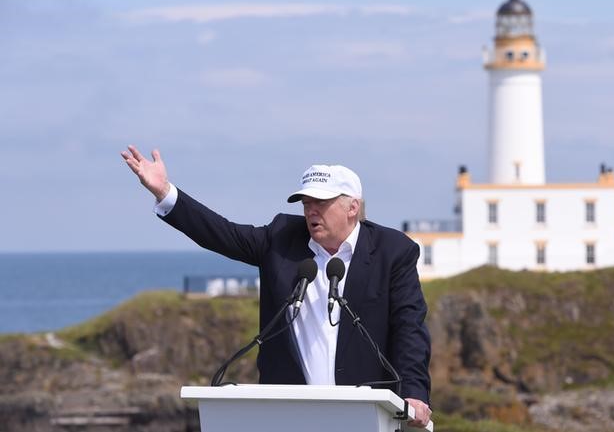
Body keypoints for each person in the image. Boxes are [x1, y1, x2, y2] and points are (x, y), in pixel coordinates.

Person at [121, 145, 432, 427]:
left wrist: (415, 392)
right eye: (306, 202)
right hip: (290, 413)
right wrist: (164, 192)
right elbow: (222, 234)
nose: (311, 210)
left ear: (352, 207)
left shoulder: (393, 251)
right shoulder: (281, 239)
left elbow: (409, 327)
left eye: (321, 203)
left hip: (366, 415)